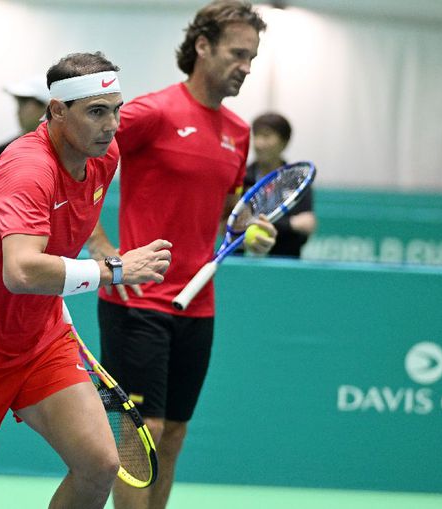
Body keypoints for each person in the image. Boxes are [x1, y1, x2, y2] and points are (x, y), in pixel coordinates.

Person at [0, 51, 173, 509]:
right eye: (97, 112)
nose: (111, 125)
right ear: (57, 111)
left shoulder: (103, 156)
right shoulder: (27, 168)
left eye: (116, 110)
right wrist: (113, 269)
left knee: (99, 464)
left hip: (40, 339)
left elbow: (68, 224)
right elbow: (20, 270)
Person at [87, 2, 274, 508]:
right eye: (238, 54)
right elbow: (75, 159)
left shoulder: (239, 130)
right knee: (140, 434)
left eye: (253, 58)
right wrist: (101, 247)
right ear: (202, 47)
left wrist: (248, 225)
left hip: (199, 304)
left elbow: (230, 207)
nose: (246, 67)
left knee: (172, 437)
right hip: (138, 301)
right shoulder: (153, 113)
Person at [245, 112, 316, 257]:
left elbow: (305, 227)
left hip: (285, 261)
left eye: (266, 136)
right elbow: (236, 223)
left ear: (284, 142)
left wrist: (256, 222)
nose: (258, 143)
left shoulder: (298, 181)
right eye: (256, 136)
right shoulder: (242, 177)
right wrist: (290, 224)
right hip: (242, 263)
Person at [0, 74, 51, 165]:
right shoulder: (4, 150)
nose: (18, 112)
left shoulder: (64, 153)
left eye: (23, 104)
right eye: (18, 104)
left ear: (47, 107)